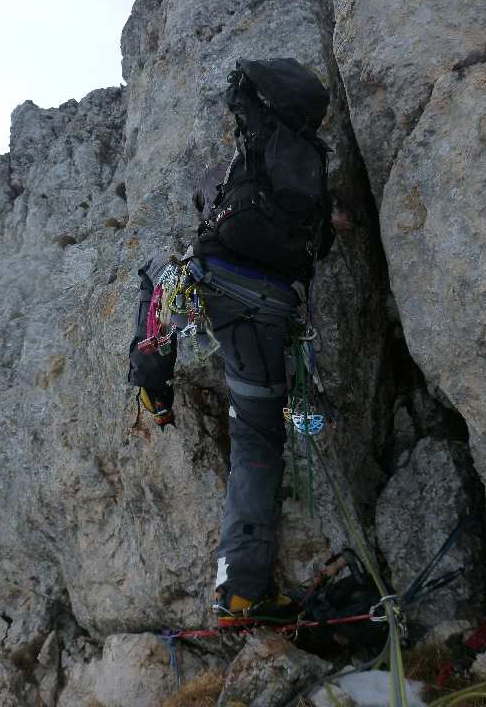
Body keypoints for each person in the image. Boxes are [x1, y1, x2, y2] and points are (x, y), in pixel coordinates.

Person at [128, 58, 334, 626]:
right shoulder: (308, 169)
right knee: (256, 443)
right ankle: (240, 592)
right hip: (269, 312)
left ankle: (152, 389)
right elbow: (319, 254)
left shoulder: (242, 167)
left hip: (213, 282)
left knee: (156, 281)